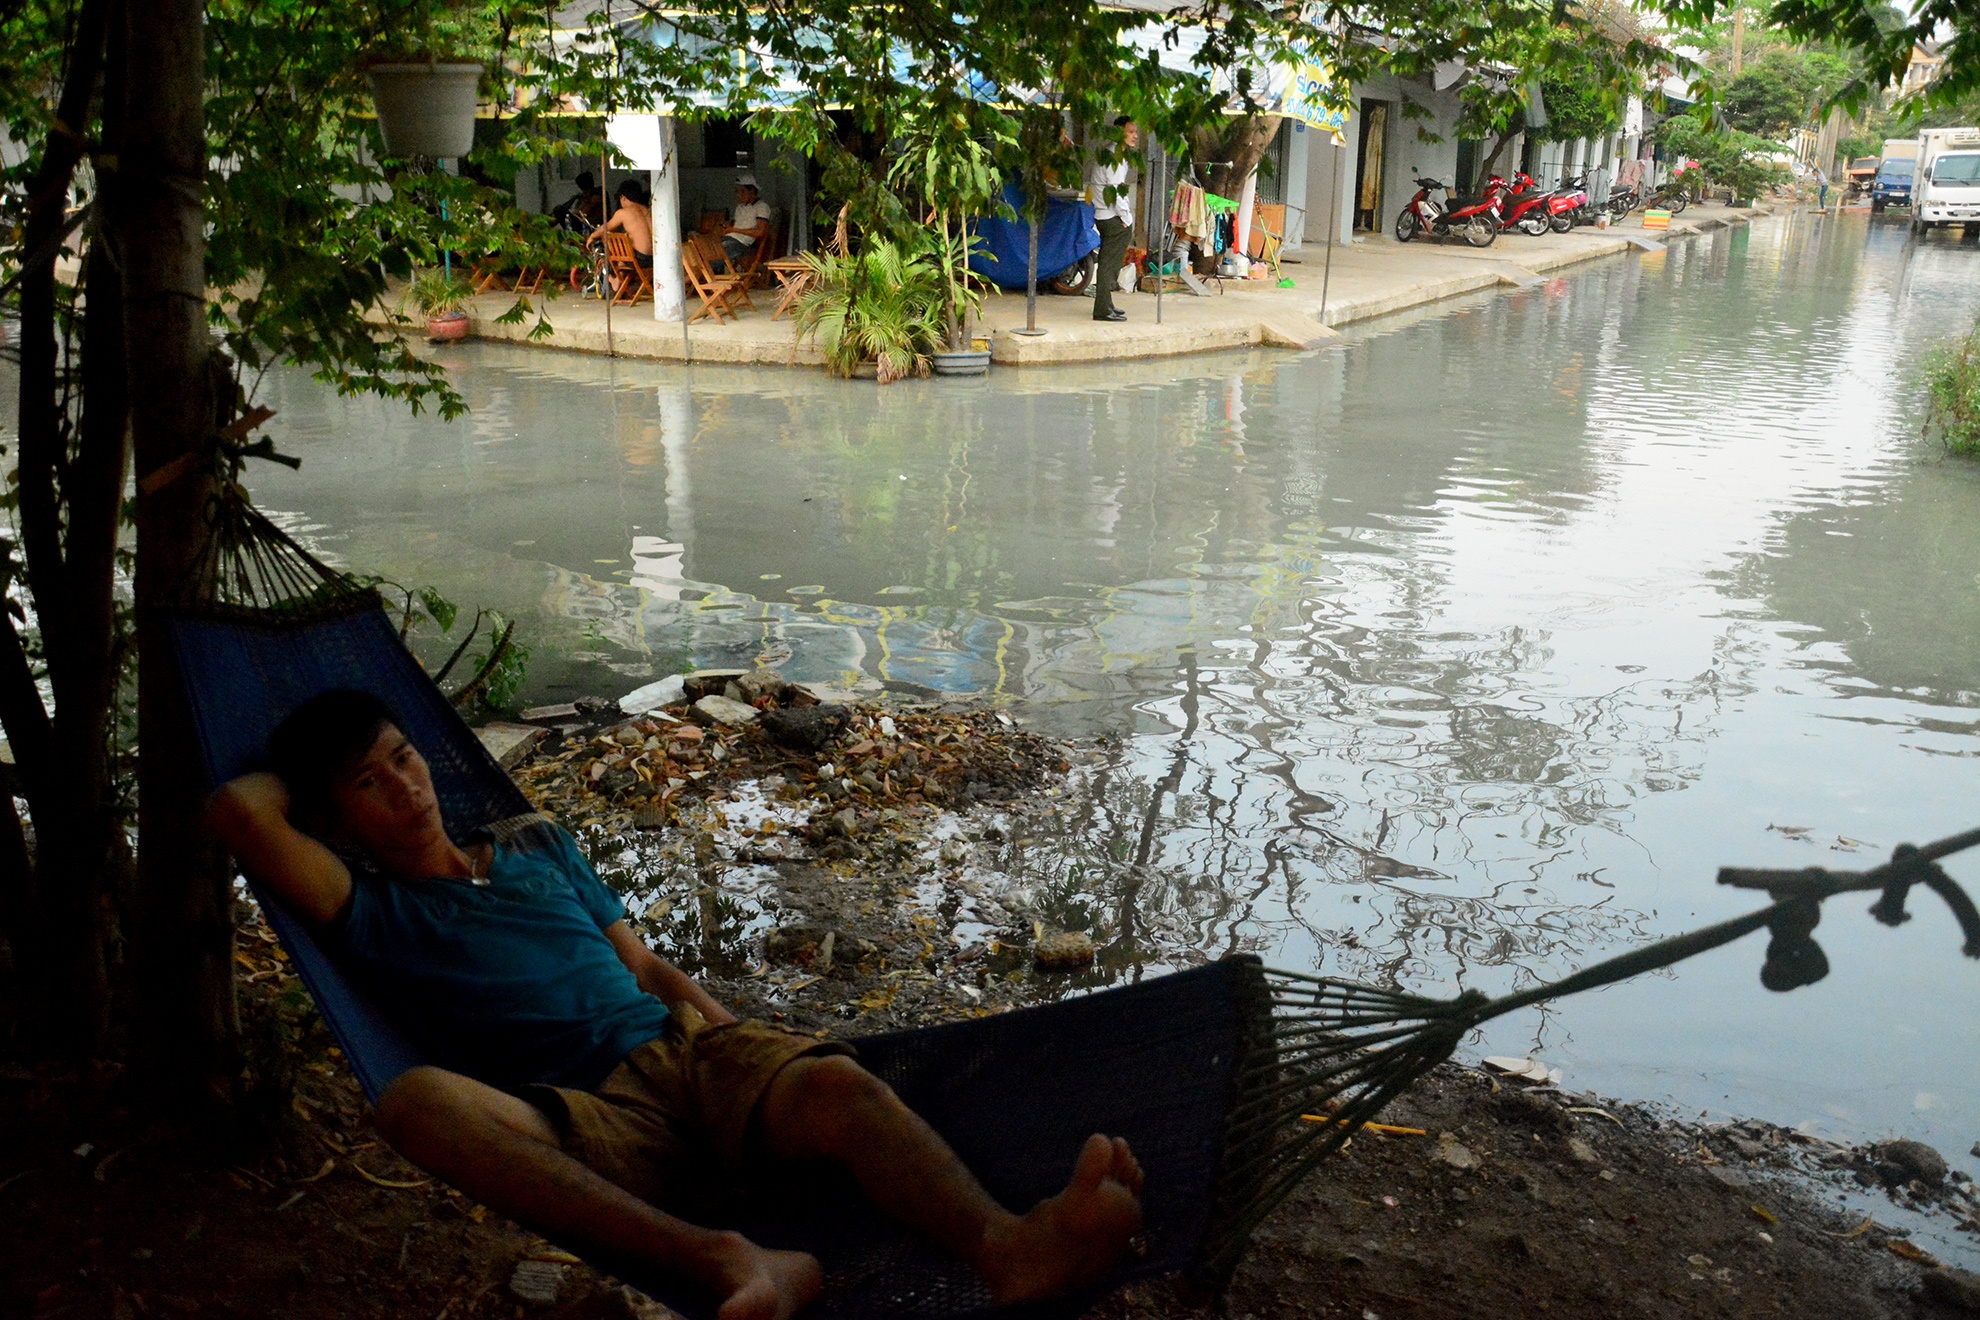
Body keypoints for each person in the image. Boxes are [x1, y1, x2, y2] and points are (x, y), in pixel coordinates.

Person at [205, 690, 1145, 1320]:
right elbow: (241, 814)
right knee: (414, 1103)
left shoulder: (534, 843)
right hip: (585, 1108)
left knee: (836, 1087)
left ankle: (1005, 1246)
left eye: (404, 757)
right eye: (368, 784)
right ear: (334, 822)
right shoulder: (376, 910)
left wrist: (743, 1045)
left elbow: (647, 968)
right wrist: (308, 783)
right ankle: (727, 1260)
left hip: (687, 1052)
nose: (407, 788)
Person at [1084, 119, 1139, 324]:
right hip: (1111, 216)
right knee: (1108, 264)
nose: (1134, 135)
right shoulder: (1113, 157)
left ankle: (1107, 304)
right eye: (1130, 132)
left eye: (1136, 132)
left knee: (1111, 263)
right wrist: (1126, 217)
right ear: (1119, 133)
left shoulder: (1115, 154)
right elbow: (1115, 191)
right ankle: (1102, 309)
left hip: (1107, 213)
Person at [590, 179, 654, 295]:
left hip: (640, 260)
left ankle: (616, 280)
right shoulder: (647, 210)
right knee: (626, 250)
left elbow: (606, 227)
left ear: (623, 198)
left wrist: (592, 236)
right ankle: (618, 281)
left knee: (617, 249)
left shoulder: (623, 213)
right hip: (655, 259)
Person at [718, 175, 773, 273]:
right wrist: (727, 229)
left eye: (743, 191)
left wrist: (734, 230)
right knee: (706, 247)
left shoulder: (762, 207)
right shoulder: (739, 207)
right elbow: (734, 227)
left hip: (744, 244)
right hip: (731, 238)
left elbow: (759, 232)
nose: (739, 195)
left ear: (751, 191)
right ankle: (700, 275)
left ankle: (698, 276)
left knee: (717, 252)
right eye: (738, 191)